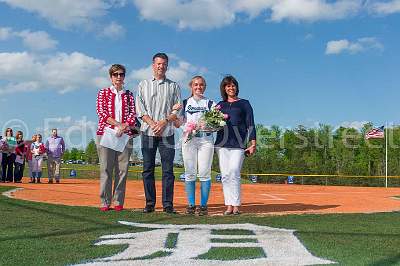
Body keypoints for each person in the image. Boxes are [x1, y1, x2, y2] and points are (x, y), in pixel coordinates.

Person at [135, 52, 181, 214]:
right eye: (158, 63)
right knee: (148, 169)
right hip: (148, 132)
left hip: (167, 133)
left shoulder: (174, 86)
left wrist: (164, 122)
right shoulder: (143, 85)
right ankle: (150, 204)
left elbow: (177, 110)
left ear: (167, 66)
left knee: (168, 170)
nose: (161, 66)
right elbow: (140, 109)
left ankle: (168, 204)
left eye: (164, 64)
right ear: (153, 65)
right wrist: (153, 124)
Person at [96, 64, 136, 212]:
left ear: (124, 76)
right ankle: (104, 201)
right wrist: (118, 125)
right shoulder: (103, 93)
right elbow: (102, 113)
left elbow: (133, 114)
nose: (118, 77)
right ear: (111, 77)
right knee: (106, 168)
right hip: (106, 134)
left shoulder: (129, 94)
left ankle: (118, 201)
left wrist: (124, 127)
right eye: (115, 74)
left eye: (121, 74)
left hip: (125, 136)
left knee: (122, 170)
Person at [214, 75, 256, 215]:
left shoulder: (244, 103)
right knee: (225, 175)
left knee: (234, 171)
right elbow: (213, 124)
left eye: (233, 85)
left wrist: (253, 143)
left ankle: (236, 205)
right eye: (228, 86)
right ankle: (229, 206)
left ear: (236, 87)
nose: (231, 88)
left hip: (238, 143)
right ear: (224, 88)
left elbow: (250, 124)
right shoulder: (220, 105)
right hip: (221, 143)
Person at [175, 76, 215, 215]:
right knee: (190, 172)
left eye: (201, 85)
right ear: (191, 86)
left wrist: (209, 125)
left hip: (205, 140)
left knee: (204, 172)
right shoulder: (185, 103)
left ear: (205, 87)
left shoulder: (210, 103)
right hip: (189, 140)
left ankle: (203, 206)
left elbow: (218, 124)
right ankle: (191, 205)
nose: (199, 87)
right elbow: (177, 123)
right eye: (196, 85)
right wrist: (178, 118)